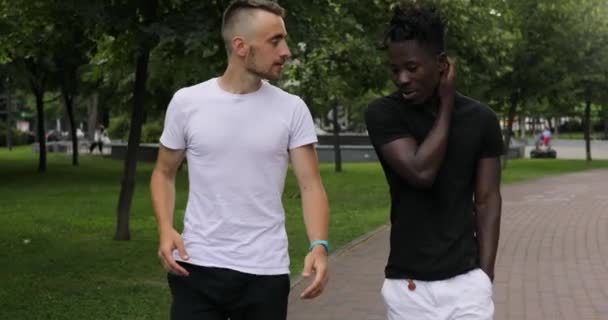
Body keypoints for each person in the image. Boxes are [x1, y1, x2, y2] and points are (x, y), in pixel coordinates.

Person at [150, 1, 330, 319]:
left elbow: (310, 185)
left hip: (265, 272)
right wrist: (165, 227)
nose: (286, 51)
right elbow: (164, 173)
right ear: (240, 46)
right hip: (197, 267)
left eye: (284, 39)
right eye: (275, 41)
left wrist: (319, 244)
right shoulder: (187, 103)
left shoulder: (292, 109)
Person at [364, 3, 503, 320]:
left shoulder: (481, 120)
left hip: (467, 285)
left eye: (412, 68)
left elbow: (487, 200)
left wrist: (485, 276)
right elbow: (421, 170)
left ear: (442, 65)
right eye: (394, 70)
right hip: (408, 288)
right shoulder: (384, 113)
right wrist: (447, 104)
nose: (402, 78)